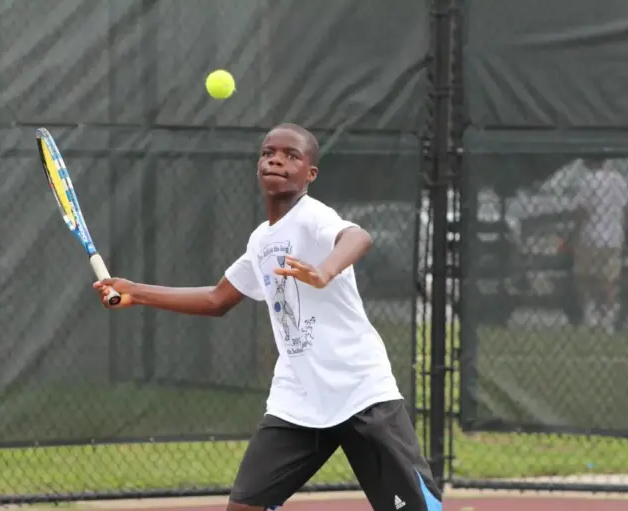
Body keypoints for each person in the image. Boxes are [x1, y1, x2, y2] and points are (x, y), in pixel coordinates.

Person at [93, 123, 443, 511]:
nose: (276, 158)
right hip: (298, 399)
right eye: (268, 152)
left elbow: (358, 236)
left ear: (310, 174)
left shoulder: (313, 216)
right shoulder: (261, 240)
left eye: (291, 155)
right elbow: (217, 298)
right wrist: (136, 292)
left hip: (360, 391)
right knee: (245, 507)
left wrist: (324, 271)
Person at [572, 158, 628, 333]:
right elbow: (625, 207)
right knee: (610, 279)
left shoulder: (587, 181)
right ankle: (608, 318)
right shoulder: (618, 180)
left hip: (590, 236)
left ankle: (591, 315)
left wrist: (574, 233)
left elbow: (582, 210)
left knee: (584, 276)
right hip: (613, 236)